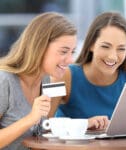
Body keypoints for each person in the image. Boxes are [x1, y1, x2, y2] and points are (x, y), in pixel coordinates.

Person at [49, 12, 126, 131]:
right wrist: (84, 124)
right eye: (105, 46)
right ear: (91, 44)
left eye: (121, 49)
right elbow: (41, 125)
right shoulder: (63, 75)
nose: (112, 57)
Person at [0, 12, 77, 149]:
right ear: (40, 47)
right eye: (64, 51)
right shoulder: (4, 80)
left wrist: (84, 125)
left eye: (72, 52)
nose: (70, 60)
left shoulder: (45, 80)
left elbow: (40, 134)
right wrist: (30, 119)